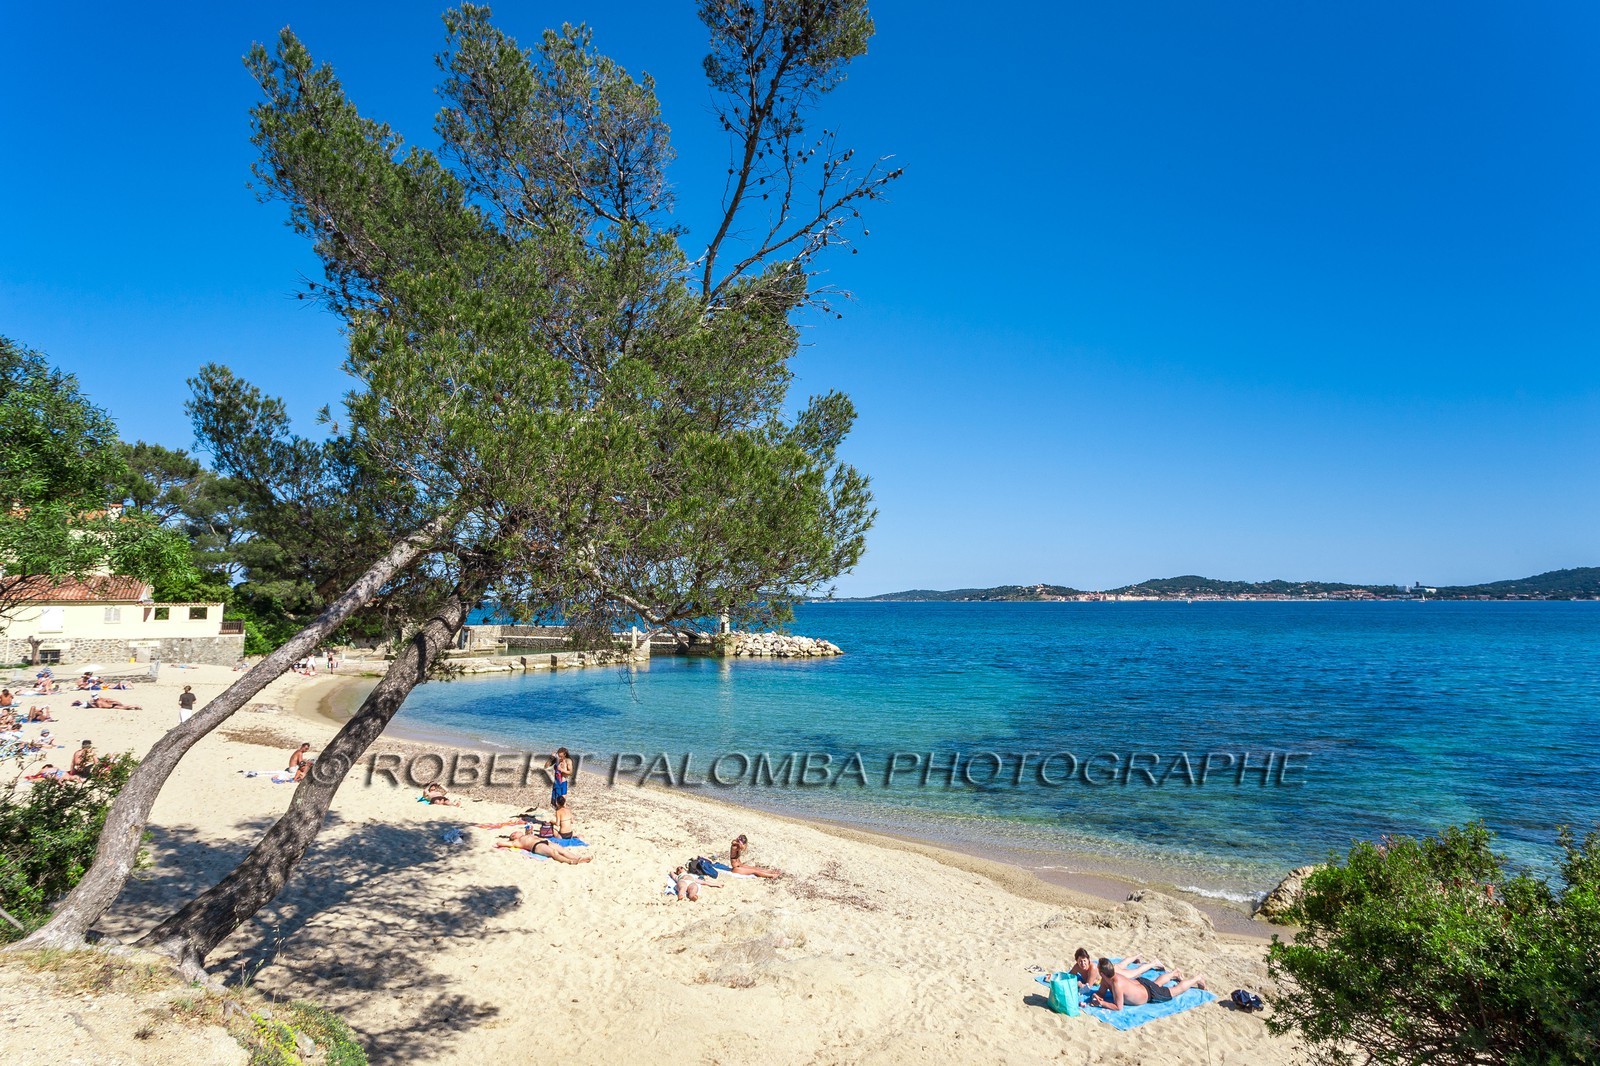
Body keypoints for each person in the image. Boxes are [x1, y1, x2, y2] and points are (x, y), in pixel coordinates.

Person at [1087, 957, 1206, 1011]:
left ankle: (1197, 978)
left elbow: (1119, 1007)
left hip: (1150, 993)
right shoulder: (1106, 980)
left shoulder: (1116, 983)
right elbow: (1100, 993)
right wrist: (1096, 996)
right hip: (1142, 984)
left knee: (1175, 990)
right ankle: (1173, 974)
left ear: (1102, 973)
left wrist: (1101, 1003)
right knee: (1156, 983)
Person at [498, 827, 592, 864]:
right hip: (536, 846)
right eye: (516, 832)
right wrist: (508, 841)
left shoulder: (527, 835)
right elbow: (500, 843)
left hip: (545, 841)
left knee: (562, 850)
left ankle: (578, 858)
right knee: (553, 852)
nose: (518, 831)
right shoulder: (516, 842)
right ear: (514, 836)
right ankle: (570, 861)